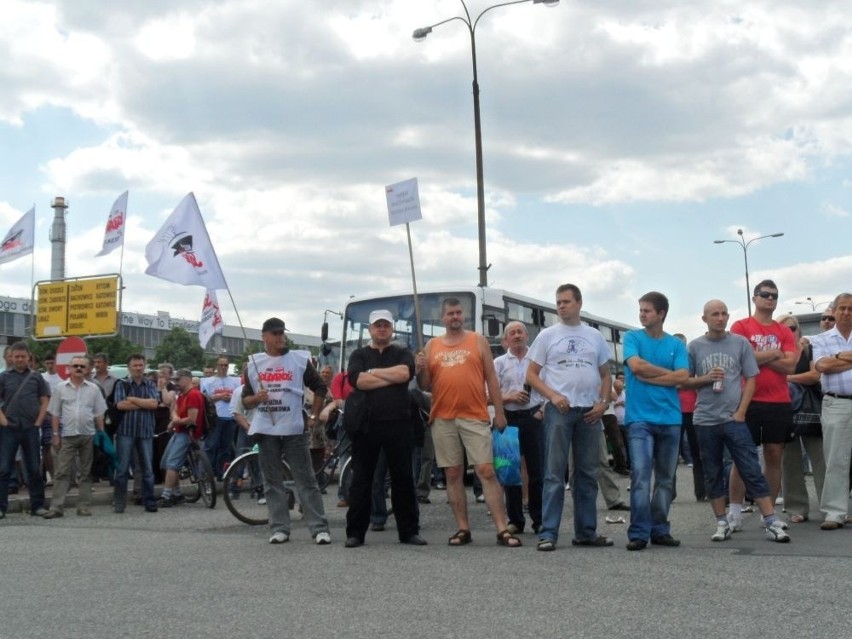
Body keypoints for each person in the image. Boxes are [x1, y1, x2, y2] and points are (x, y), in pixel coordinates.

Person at [415, 297, 520, 548]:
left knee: (486, 470)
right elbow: (425, 385)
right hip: (442, 417)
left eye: (458, 312)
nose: (455, 317)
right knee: (452, 473)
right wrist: (419, 368)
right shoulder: (431, 346)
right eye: (450, 313)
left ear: (463, 316)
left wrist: (500, 412)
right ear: (442, 317)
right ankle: (463, 528)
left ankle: (502, 529)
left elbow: (491, 380)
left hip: (475, 415)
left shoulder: (477, 340)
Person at [684, 300, 790, 543]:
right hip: (705, 419)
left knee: (750, 467)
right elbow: (685, 382)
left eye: (723, 314)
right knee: (712, 472)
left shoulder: (739, 343)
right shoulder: (694, 347)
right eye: (714, 314)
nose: (720, 318)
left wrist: (741, 411)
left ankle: (771, 521)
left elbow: (751, 377)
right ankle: (722, 521)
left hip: (734, 418)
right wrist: (705, 378)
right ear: (704, 319)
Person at [526, 285, 613, 551]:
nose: (561, 306)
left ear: (579, 303)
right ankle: (548, 533)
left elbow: (606, 374)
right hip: (560, 411)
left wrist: (604, 403)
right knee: (554, 473)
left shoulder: (594, 336)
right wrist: (552, 396)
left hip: (589, 411)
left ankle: (586, 532)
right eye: (558, 302)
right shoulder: (547, 335)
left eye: (566, 302)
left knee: (587, 473)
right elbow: (531, 375)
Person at [242, 317, 332, 545]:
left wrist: (313, 416)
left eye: (282, 332)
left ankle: (319, 528)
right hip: (266, 430)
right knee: (272, 481)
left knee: (306, 479)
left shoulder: (299, 360)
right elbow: (246, 401)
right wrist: (256, 397)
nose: (281, 337)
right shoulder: (253, 364)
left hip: (294, 429)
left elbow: (320, 386)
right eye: (275, 333)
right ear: (264, 337)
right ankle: (279, 527)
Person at [343, 309, 425, 547]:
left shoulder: (402, 352)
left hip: (399, 424)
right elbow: (357, 380)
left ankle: (409, 531)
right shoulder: (358, 354)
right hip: (366, 426)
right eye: (377, 325)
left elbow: (404, 374)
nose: (381, 329)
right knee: (362, 480)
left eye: (386, 325)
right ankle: (355, 533)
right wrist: (386, 377)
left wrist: (373, 374)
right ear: (370, 329)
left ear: (392, 329)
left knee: (403, 479)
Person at [623, 292, 689, 551]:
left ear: (661, 314)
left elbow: (683, 376)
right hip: (640, 419)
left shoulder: (676, 344)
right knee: (640, 475)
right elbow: (637, 367)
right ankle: (639, 532)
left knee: (665, 479)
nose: (642, 314)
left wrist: (659, 376)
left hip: (670, 419)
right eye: (641, 309)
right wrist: (669, 375)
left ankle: (660, 529)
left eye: (647, 310)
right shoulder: (632, 338)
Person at [729, 280, 797, 529]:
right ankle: (734, 512)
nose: (770, 299)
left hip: (778, 401)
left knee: (774, 456)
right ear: (754, 298)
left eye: (774, 296)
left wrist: (757, 357)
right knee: (741, 457)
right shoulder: (741, 325)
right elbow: (739, 357)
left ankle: (767, 513)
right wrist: (775, 353)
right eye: (765, 295)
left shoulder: (784, 331)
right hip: (747, 400)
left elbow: (790, 365)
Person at [494, 321, 544, 536]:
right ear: (506, 338)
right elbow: (488, 394)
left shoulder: (539, 360)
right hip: (508, 418)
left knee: (537, 472)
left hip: (534, 416)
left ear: (527, 335)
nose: (516, 336)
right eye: (512, 333)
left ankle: (540, 520)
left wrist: (542, 411)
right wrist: (509, 397)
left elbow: (552, 386)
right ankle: (515, 520)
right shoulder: (498, 363)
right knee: (510, 471)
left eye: (520, 332)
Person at [42, 356, 107, 518]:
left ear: (87, 369)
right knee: (62, 472)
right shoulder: (60, 388)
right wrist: (55, 435)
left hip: (88, 435)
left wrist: (102, 434)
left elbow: (99, 413)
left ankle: (83, 506)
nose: (79, 368)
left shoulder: (94, 388)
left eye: (82, 366)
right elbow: (55, 414)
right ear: (69, 369)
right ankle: (56, 507)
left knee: (85, 473)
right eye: (75, 366)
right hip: (67, 435)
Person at [778, 315, 825, 524]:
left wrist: (788, 378)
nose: (789, 331)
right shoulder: (776, 355)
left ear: (798, 329)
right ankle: (796, 508)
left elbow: (816, 375)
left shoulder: (809, 349)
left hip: (811, 411)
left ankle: (830, 506)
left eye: (793, 327)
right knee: (790, 461)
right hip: (784, 409)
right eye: (784, 328)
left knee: (821, 458)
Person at [811, 293, 852, 530]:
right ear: (834, 311)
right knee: (836, 459)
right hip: (836, 403)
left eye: (851, 308)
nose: (847, 312)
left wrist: (837, 359)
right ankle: (835, 513)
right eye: (842, 308)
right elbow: (823, 366)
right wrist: (835, 358)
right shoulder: (821, 339)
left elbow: (831, 364)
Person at [0, 341, 50, 518]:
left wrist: (38, 421)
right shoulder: (4, 377)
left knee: (34, 469)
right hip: (9, 428)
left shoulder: (37, 377)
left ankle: (37, 506)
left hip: (30, 428)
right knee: (4, 469)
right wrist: (3, 420)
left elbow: (44, 399)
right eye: (17, 356)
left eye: (23, 356)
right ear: (11, 357)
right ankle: (1, 507)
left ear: (29, 357)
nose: (20, 359)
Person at [113, 353, 159, 514]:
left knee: (147, 469)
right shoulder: (122, 383)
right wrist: (144, 403)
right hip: (126, 431)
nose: (138, 368)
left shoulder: (151, 384)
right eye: (135, 365)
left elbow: (154, 404)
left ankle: (149, 501)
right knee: (122, 469)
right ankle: (119, 502)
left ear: (144, 366)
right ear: (129, 367)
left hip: (145, 431)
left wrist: (133, 399)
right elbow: (120, 405)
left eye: (141, 365)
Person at [158, 369, 205, 507]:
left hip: (188, 434)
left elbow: (191, 419)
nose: (175, 383)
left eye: (178, 380)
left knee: (172, 464)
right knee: (166, 462)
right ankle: (177, 494)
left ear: (187, 379)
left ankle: (166, 496)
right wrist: (175, 419)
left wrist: (176, 420)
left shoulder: (194, 395)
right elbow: (175, 410)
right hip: (179, 432)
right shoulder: (183, 394)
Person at [200, 356, 240, 480]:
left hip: (230, 417)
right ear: (216, 366)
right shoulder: (207, 381)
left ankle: (221, 473)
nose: (223, 367)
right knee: (210, 446)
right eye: (221, 365)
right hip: (215, 418)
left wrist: (231, 398)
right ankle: (206, 474)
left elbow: (239, 397)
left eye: (225, 365)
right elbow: (204, 399)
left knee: (226, 448)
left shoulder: (235, 381)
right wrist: (219, 396)